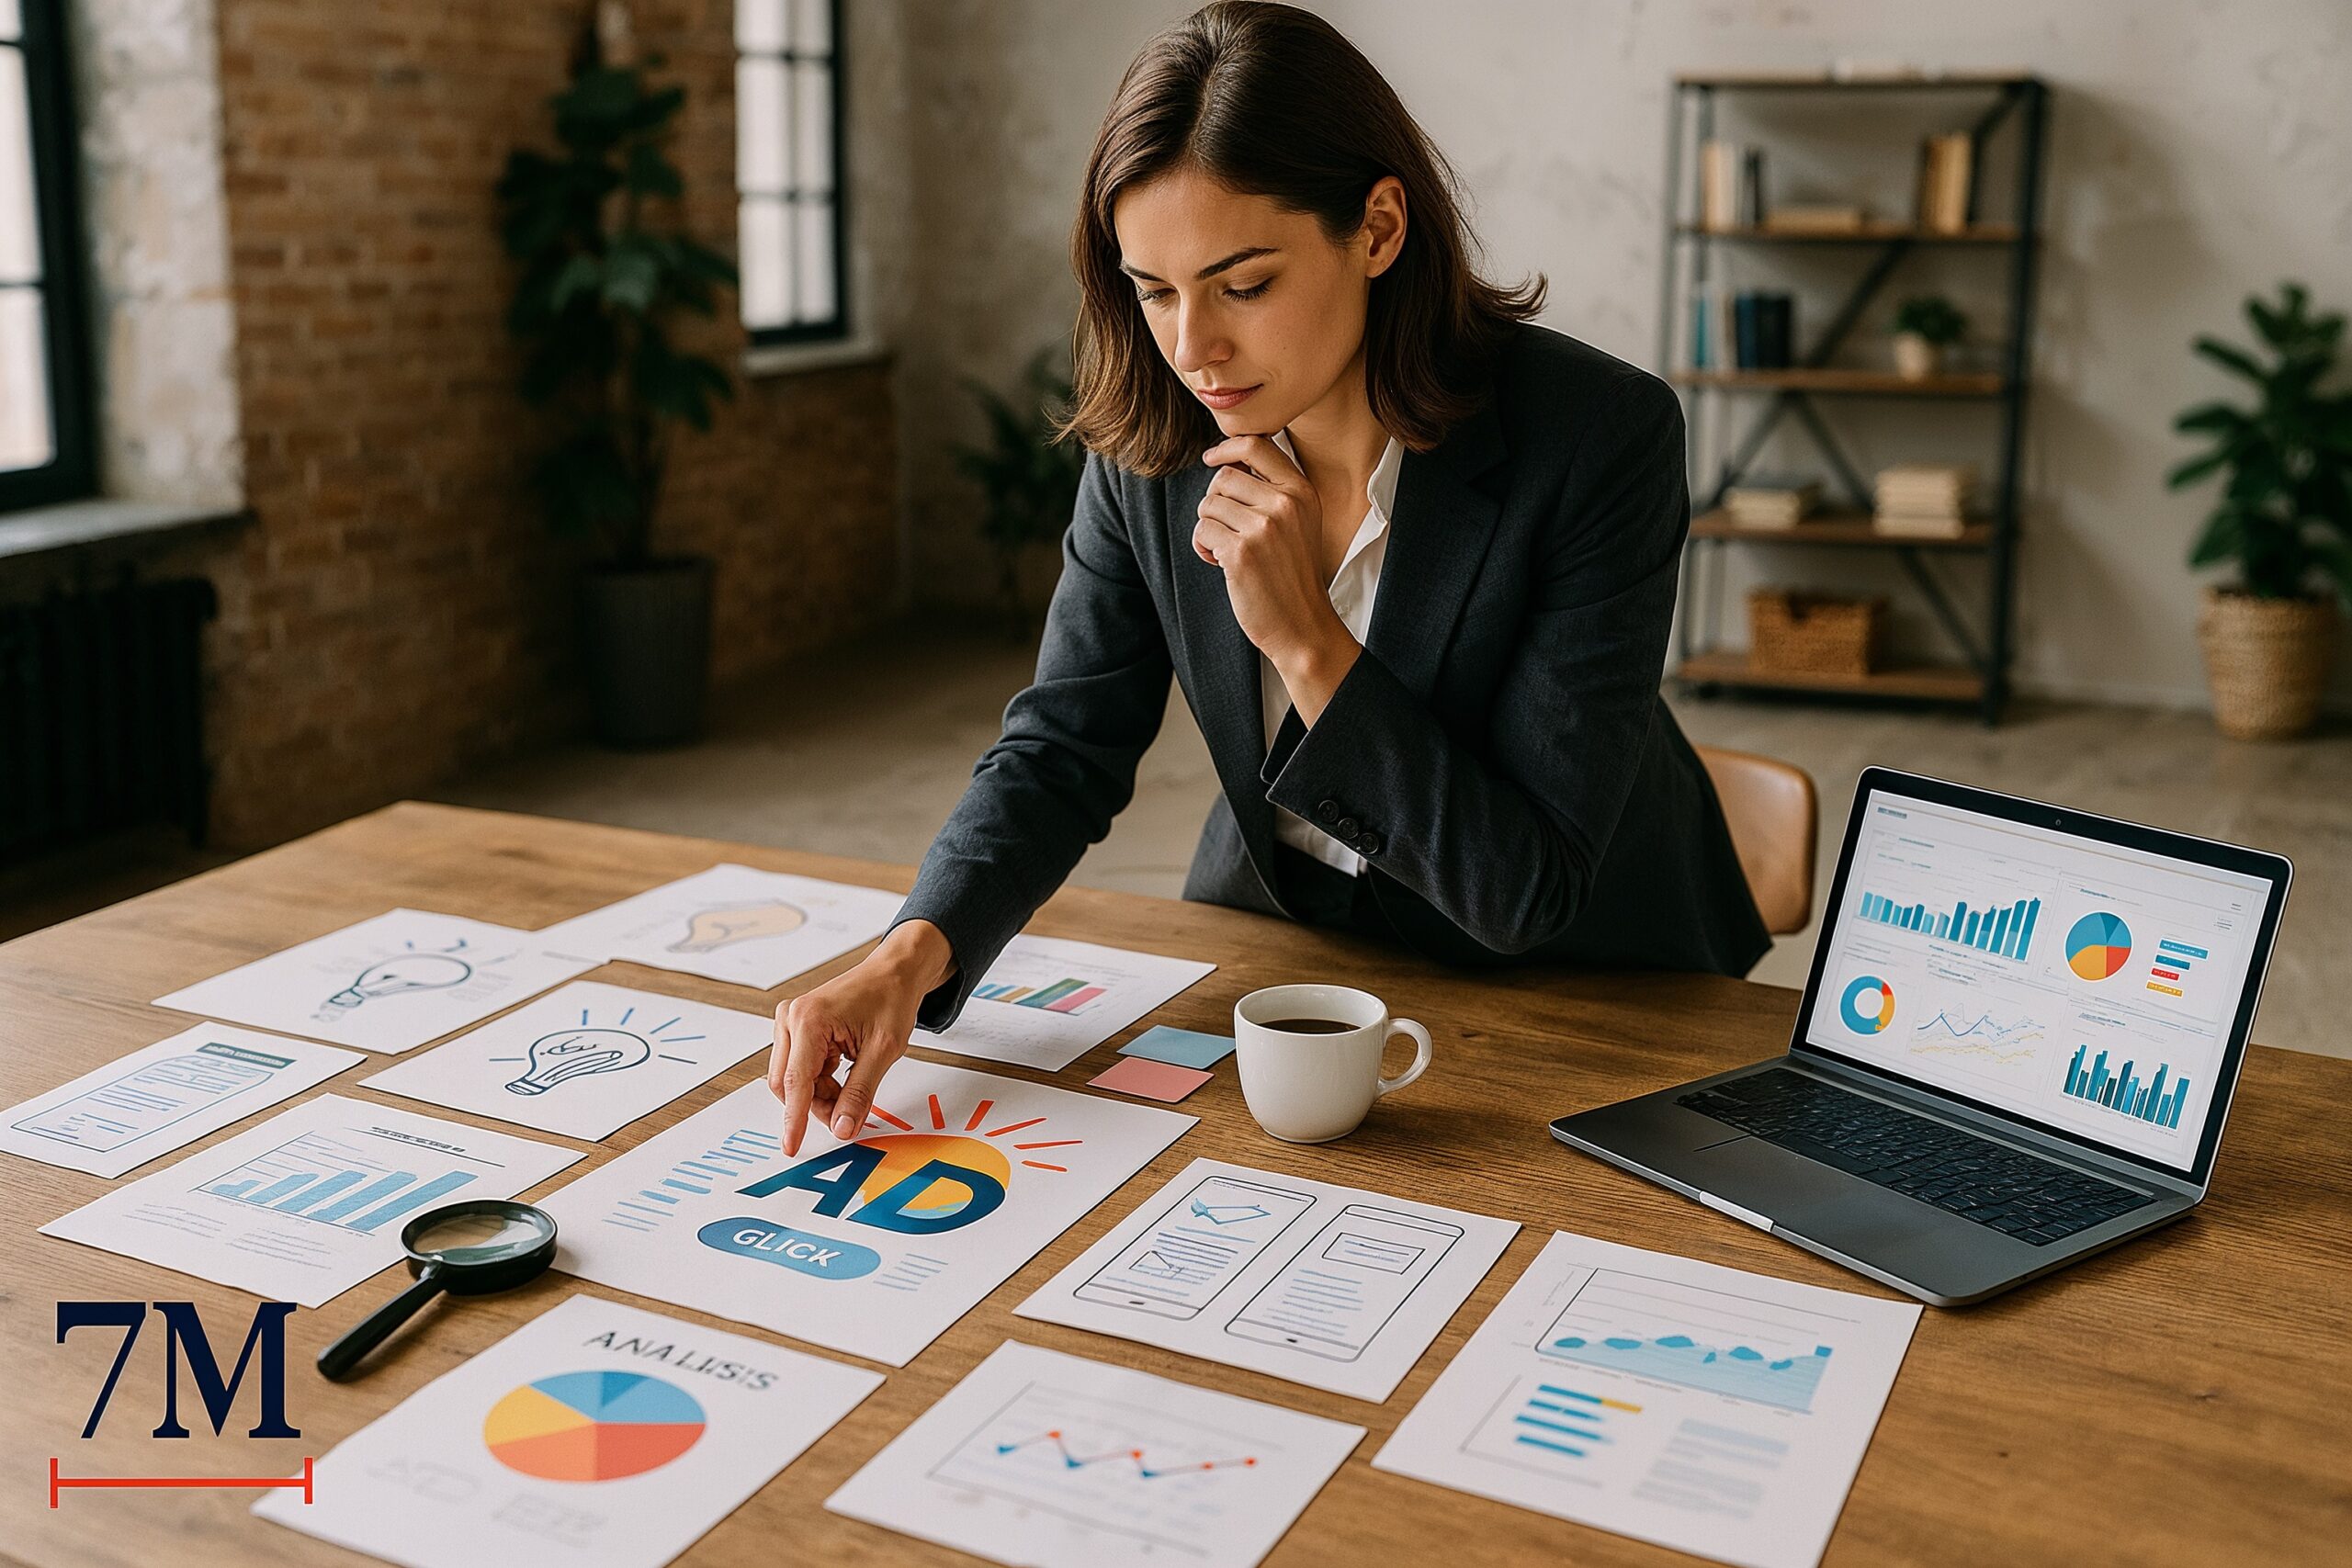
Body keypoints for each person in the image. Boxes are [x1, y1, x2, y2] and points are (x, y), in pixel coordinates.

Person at [768, 0, 1769, 1153]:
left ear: (1379, 227)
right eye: (1153, 290)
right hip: (1289, 940)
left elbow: (1523, 891)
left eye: (1242, 284)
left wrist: (1308, 643)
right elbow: (1062, 745)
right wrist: (908, 953)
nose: (1193, 347)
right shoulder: (1155, 439)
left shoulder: (1598, 439)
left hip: (1590, 981)